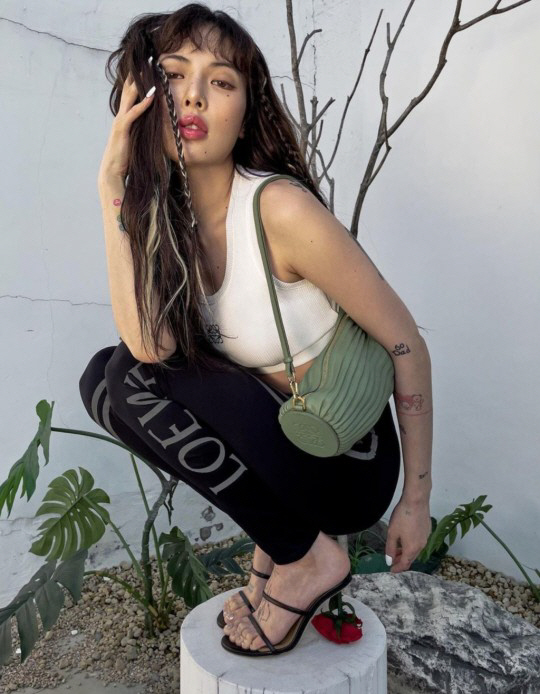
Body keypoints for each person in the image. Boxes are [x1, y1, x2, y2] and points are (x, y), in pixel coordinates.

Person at [79, 3, 433, 656]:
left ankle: (306, 557)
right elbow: (149, 344)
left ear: (245, 114)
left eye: (220, 82)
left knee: (129, 376)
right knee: (104, 381)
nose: (193, 95)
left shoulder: (280, 210)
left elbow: (407, 343)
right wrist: (112, 187)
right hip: (280, 448)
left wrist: (415, 501)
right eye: (174, 75)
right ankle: (282, 546)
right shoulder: (172, 224)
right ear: (143, 97)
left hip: (345, 461)